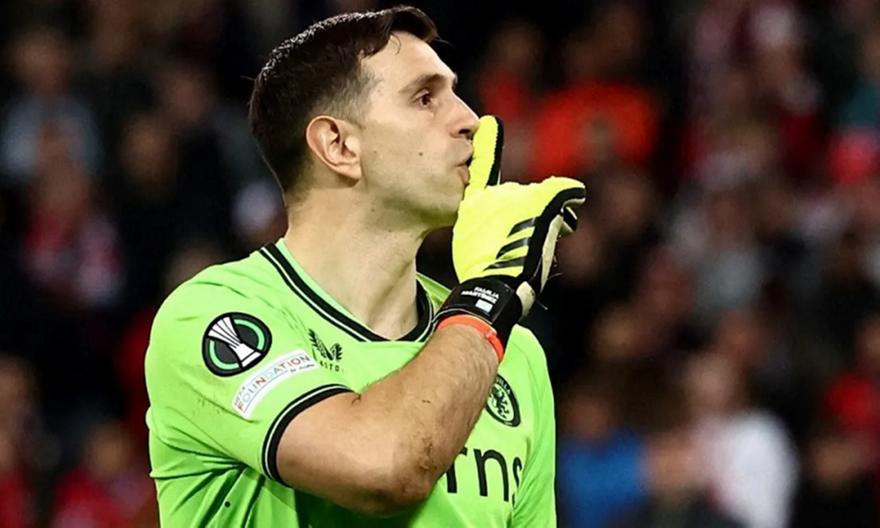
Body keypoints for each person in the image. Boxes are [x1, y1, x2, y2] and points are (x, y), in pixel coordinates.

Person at [144, 6, 585, 527]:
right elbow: (383, 466)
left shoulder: (515, 357)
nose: (471, 119)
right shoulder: (214, 316)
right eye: (425, 98)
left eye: (455, 92)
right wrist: (489, 295)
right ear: (338, 145)